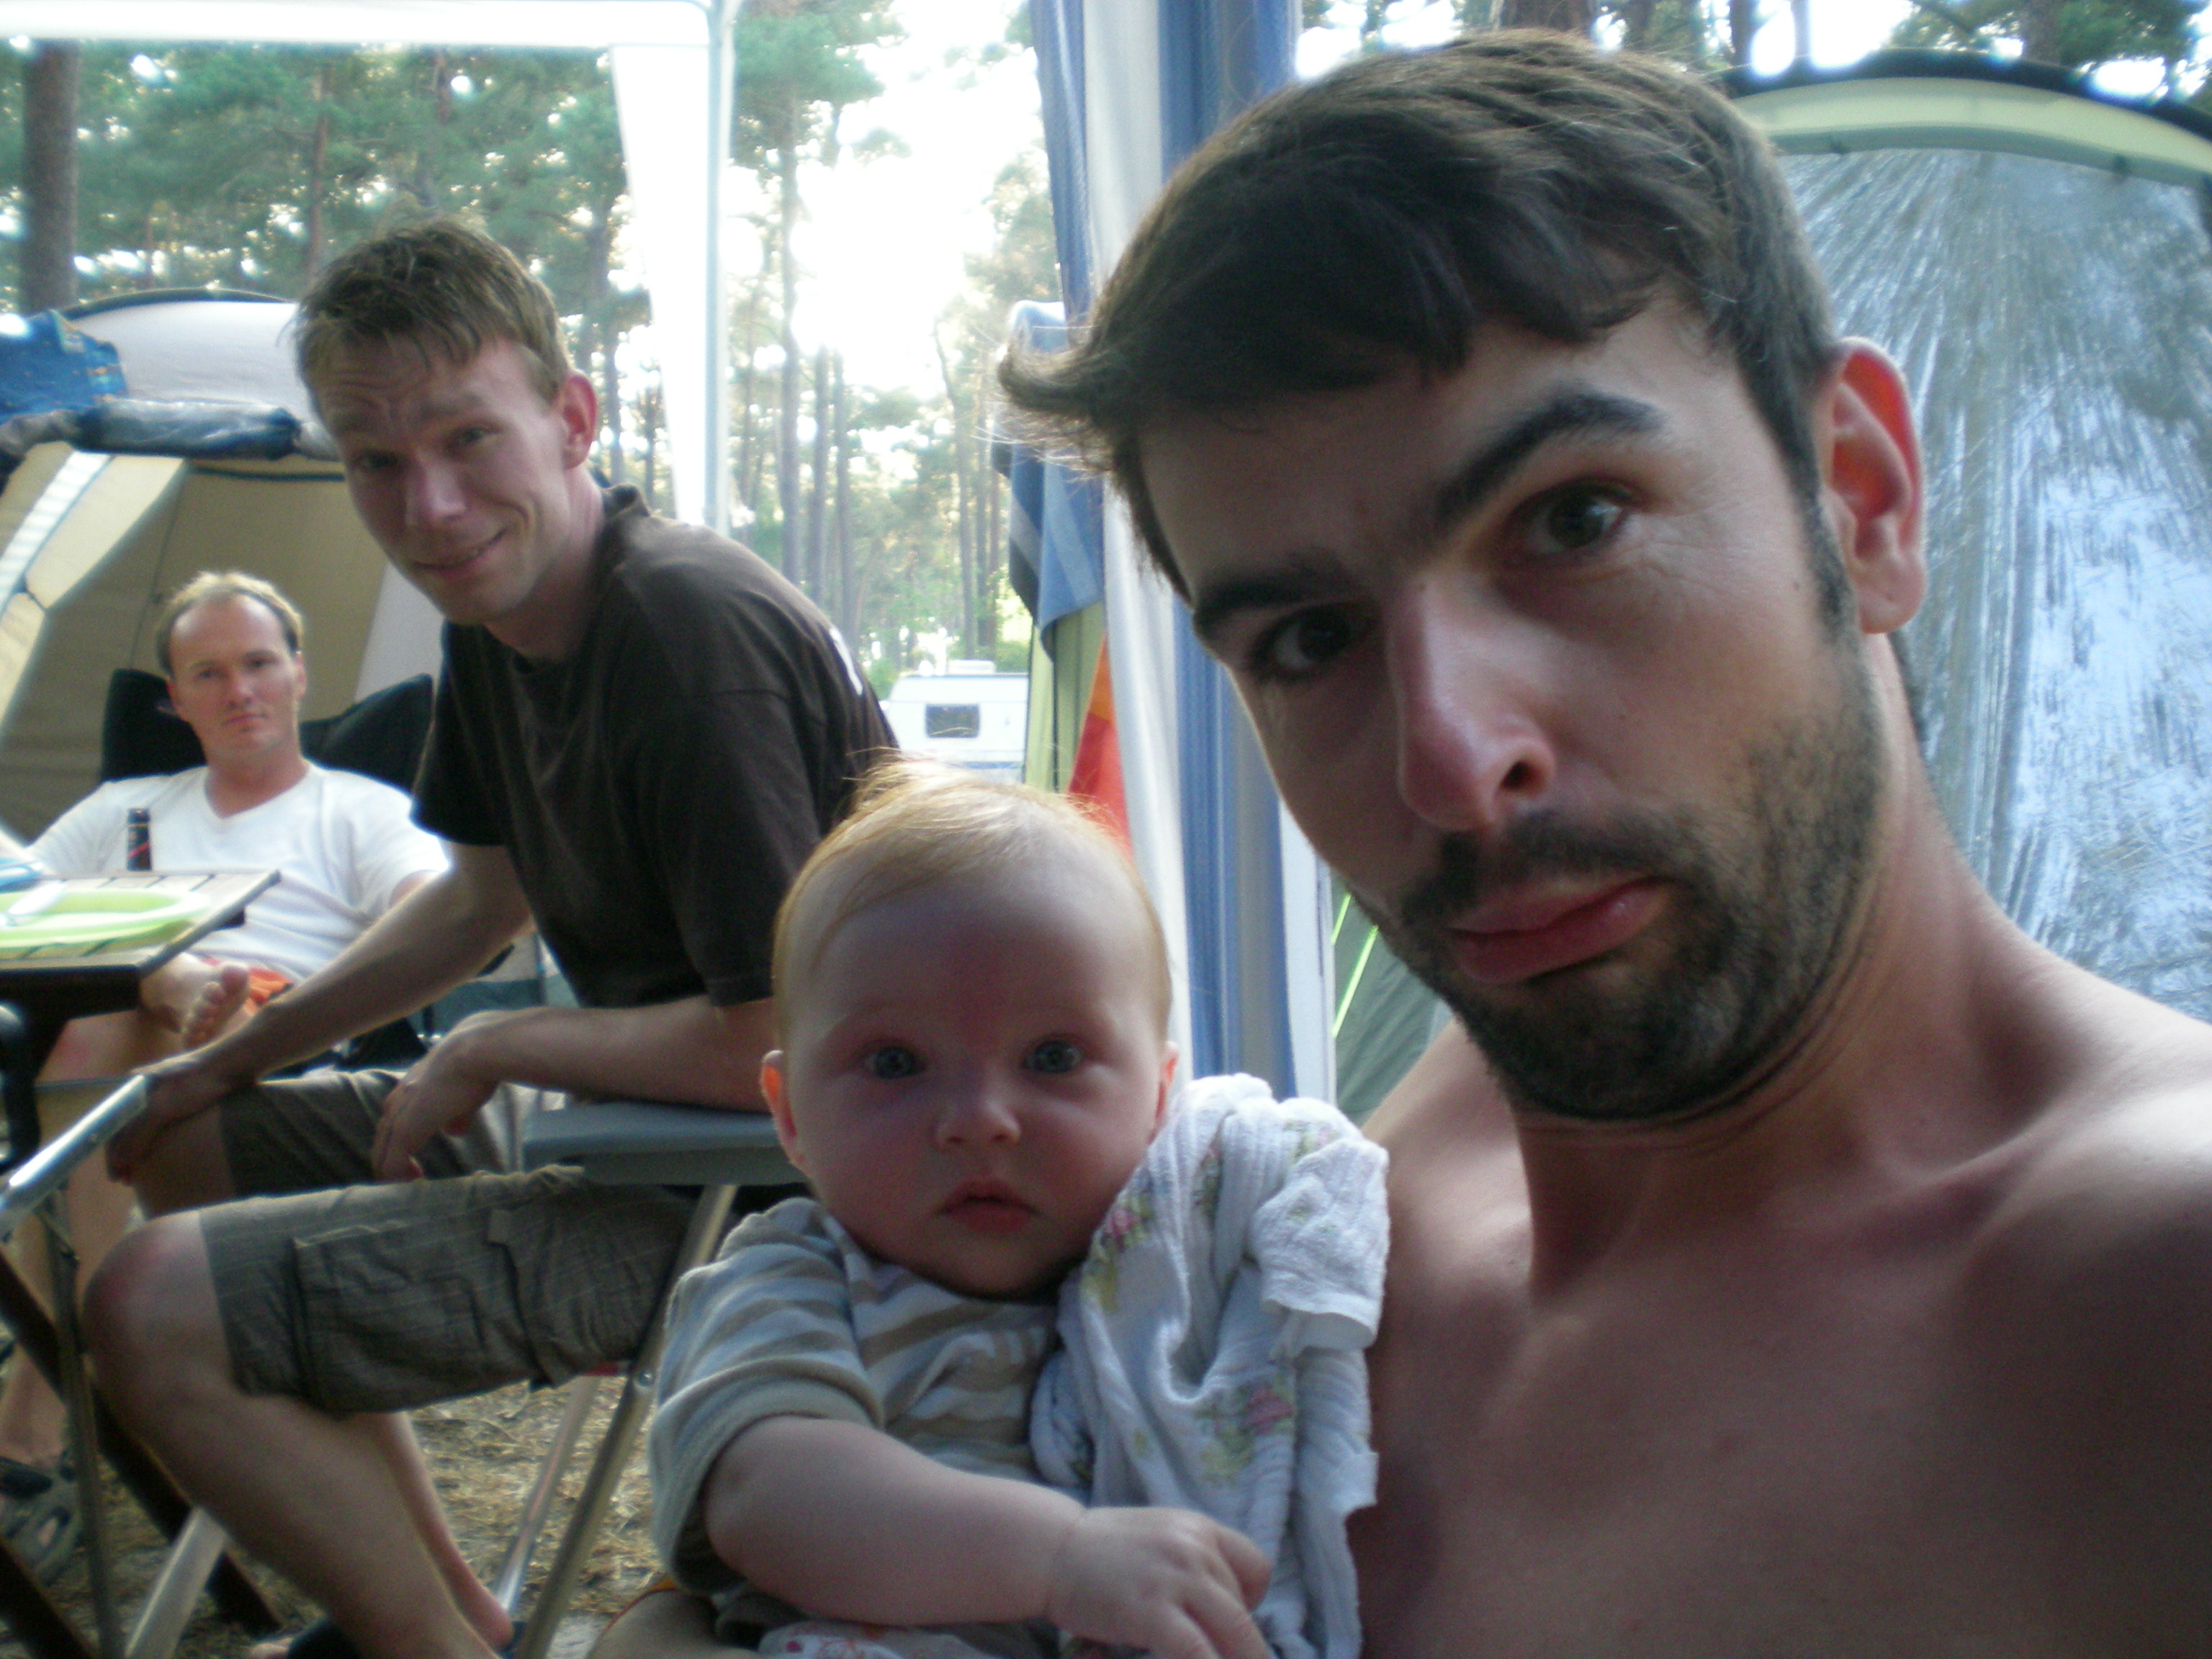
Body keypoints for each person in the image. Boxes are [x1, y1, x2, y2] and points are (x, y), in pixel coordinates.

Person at [989, 30, 2212, 1657]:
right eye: (1306, 639)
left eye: (1571, 520)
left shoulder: (2153, 1302)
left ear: (1859, 500)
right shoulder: (1308, 1230)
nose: (1448, 761)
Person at [83, 217, 891, 1659]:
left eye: (468, 439)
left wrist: (503, 1041)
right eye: (377, 461)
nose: (432, 506)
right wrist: (229, 1061)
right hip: (635, 1128)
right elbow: (476, 901)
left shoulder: (682, 636)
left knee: (149, 1305)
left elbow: (785, 1037)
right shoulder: (497, 620)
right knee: (191, 1143)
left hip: (782, 1195)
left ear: (571, 417)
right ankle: (442, 1608)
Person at [649, 762, 1382, 1659]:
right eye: (893, 1063)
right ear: (791, 1114)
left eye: (1053, 1057)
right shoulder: (793, 1278)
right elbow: (766, 1495)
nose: (980, 1121)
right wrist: (1060, 1559)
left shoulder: (1182, 1265)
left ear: (1159, 1100)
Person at [0, 571, 444, 1570]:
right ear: (176, 699)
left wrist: (255, 1001)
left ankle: (33, 1413)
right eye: (208, 673)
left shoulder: (359, 810)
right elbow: (21, 913)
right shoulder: (123, 809)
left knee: (133, 1026)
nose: (239, 689)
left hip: (280, 1044)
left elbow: (431, 916)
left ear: (299, 674)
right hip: (119, 1044)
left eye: (258, 663)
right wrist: (163, 976)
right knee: (108, 1023)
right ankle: (169, 980)